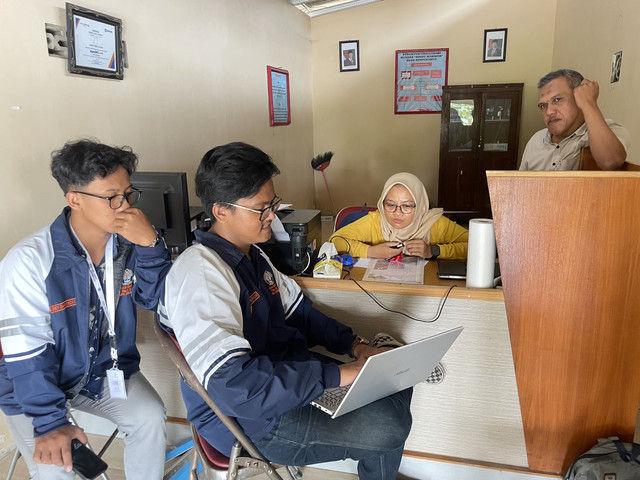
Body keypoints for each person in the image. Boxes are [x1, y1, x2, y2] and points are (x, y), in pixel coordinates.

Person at [159, 142, 413, 479]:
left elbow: (301, 315)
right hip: (253, 420)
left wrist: (355, 347)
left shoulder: (252, 255)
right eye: (261, 209)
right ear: (221, 211)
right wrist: (340, 375)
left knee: (395, 374)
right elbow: (238, 388)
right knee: (390, 426)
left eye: (273, 204)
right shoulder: (201, 275)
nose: (272, 217)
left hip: (284, 378)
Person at [0, 140, 171, 479]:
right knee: (57, 469)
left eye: (128, 194)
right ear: (74, 199)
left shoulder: (129, 242)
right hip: (33, 388)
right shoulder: (30, 261)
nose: (124, 206)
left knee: (149, 417)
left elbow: (154, 299)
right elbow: (27, 354)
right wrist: (50, 422)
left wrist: (151, 244)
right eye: (111, 197)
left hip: (103, 372)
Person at [329, 172, 468, 261]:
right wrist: (371, 251)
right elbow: (334, 241)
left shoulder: (436, 224)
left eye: (407, 206)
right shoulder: (376, 221)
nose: (397, 213)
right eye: (390, 205)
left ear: (420, 206)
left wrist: (434, 250)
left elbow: (478, 247)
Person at [519, 69, 630, 171]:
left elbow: (610, 162)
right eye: (543, 105)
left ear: (579, 98)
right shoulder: (537, 140)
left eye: (557, 99)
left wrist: (589, 103)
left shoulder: (610, 131)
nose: (548, 112)